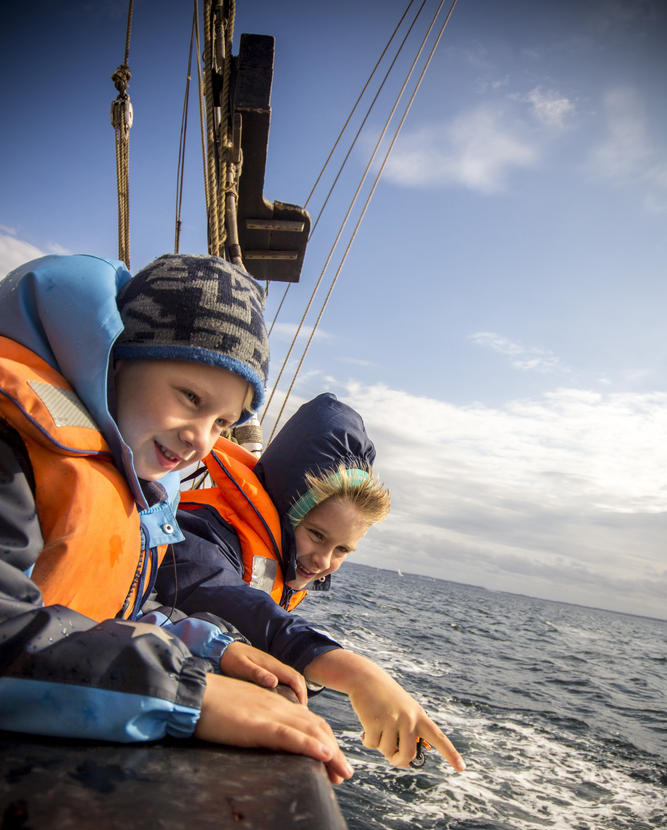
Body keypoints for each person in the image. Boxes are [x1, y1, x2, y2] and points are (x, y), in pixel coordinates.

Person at [0, 252, 352, 784]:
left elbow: (124, 606)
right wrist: (190, 691)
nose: (201, 438)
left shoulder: (137, 483)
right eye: (190, 397)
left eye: (222, 422)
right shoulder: (10, 448)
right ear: (119, 357)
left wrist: (209, 643)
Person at [156, 393, 466, 772]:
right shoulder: (198, 534)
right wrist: (359, 675)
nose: (323, 562)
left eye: (342, 550)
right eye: (316, 535)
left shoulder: (279, 559)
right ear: (284, 510)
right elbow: (226, 597)